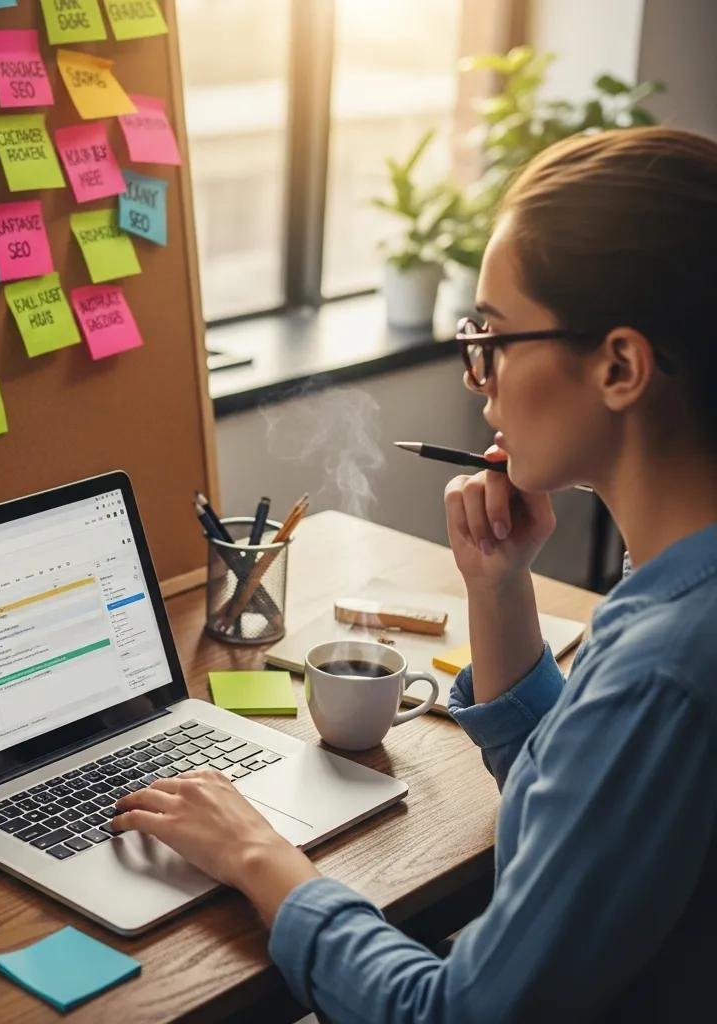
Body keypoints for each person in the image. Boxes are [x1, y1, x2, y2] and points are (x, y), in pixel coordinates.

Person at [113, 126, 717, 1022]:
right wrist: (500, 589)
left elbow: (450, 1015)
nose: (481, 381)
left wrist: (258, 856)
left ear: (620, 366)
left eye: (494, 338)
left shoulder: (662, 671)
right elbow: (581, 803)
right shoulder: (674, 606)